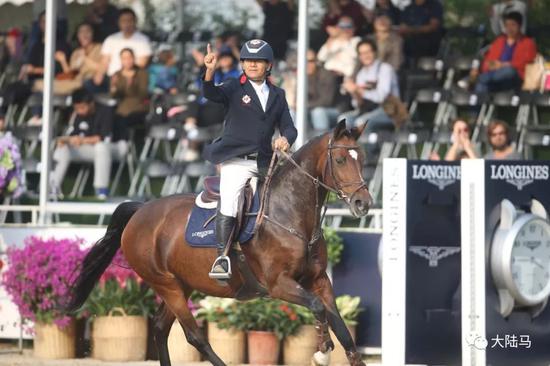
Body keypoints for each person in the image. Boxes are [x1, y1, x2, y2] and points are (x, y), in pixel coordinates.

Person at [202, 39, 297, 279]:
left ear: (269, 65)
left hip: (265, 162)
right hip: (236, 160)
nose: (252, 64)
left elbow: (289, 127)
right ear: (242, 64)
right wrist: (210, 71)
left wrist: (285, 138)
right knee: (230, 201)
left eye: (258, 61)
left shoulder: (278, 94)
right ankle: (222, 258)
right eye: (248, 60)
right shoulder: (234, 87)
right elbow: (211, 93)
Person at [51, 88, 127, 199]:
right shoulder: (77, 115)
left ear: (91, 103)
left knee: (101, 147)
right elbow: (72, 135)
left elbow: (103, 138)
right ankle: (52, 187)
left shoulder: (106, 111)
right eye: (76, 108)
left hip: (117, 147)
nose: (79, 111)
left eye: (82, 107)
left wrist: (81, 140)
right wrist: (66, 140)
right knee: (63, 148)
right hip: (92, 150)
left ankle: (101, 191)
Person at [339, 39, 400, 134]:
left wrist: (358, 90)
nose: (365, 56)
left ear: (374, 52)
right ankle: (347, 149)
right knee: (343, 120)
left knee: (361, 122)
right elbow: (357, 104)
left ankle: (366, 149)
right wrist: (354, 92)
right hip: (367, 110)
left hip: (388, 110)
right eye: (362, 53)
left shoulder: (385, 69)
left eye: (368, 52)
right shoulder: (361, 73)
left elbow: (381, 97)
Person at [474, 12, 536, 94]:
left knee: (508, 71)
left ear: (519, 26)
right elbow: (489, 60)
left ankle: (481, 78)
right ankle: (475, 105)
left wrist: (503, 65)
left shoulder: (528, 43)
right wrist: (493, 65)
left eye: (513, 25)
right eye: (507, 25)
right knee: (481, 86)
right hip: (495, 76)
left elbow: (526, 63)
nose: (509, 28)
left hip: (515, 78)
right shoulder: (499, 41)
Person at [93, 8, 152, 92]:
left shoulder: (143, 40)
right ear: (119, 23)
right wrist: (99, 75)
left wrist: (121, 76)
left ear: (135, 21)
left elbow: (141, 64)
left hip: (131, 79)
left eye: (129, 20)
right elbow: (104, 61)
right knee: (88, 85)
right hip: (110, 77)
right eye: (123, 21)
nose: (127, 24)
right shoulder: (111, 39)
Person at [34, 22, 101, 95]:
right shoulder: (76, 53)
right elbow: (70, 74)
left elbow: (101, 68)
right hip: (72, 83)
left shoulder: (99, 48)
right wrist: (63, 60)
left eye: (87, 31)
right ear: (78, 36)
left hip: (89, 84)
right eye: (81, 32)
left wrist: (84, 58)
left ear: (93, 33)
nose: (84, 35)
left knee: (42, 86)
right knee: (39, 85)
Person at [110, 48, 148, 142]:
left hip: (138, 108)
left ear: (133, 58)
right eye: (124, 58)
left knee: (123, 121)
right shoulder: (117, 75)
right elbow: (114, 95)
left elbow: (142, 93)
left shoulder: (142, 73)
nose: (127, 61)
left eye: (129, 58)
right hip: (121, 109)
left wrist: (130, 85)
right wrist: (114, 87)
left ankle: (125, 146)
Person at [307, 49, 340, 133]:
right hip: (310, 109)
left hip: (334, 110)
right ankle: (294, 144)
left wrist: (304, 106)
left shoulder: (326, 75)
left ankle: (321, 144)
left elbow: (326, 101)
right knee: (292, 112)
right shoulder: (301, 76)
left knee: (318, 112)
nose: (308, 64)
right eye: (304, 61)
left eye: (311, 61)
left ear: (316, 61)